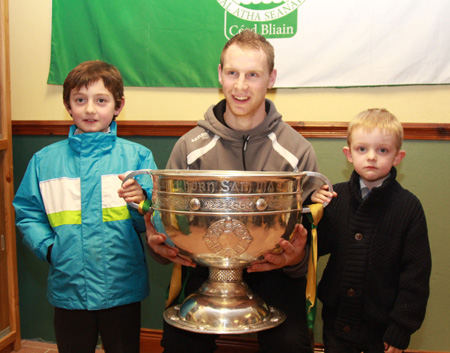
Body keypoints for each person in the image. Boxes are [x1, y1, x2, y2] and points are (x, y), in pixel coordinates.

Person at [146, 29, 321, 353]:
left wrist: (293, 260)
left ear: (271, 78)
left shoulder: (297, 152)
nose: (240, 86)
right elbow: (170, 232)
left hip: (273, 271)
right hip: (205, 268)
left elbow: (307, 240)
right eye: (232, 73)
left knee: (291, 344)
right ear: (219, 75)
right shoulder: (189, 147)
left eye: (253, 75)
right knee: (179, 342)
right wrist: (160, 245)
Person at [13, 60, 158, 353]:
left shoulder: (138, 159)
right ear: (68, 105)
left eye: (101, 100)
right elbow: (27, 213)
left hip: (121, 286)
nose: (90, 109)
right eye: (80, 100)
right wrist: (50, 249)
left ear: (118, 105)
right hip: (70, 285)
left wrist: (140, 201)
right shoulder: (44, 161)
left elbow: (153, 221)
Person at [310, 108, 432, 353]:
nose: (372, 157)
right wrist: (312, 208)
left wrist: (401, 328)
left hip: (381, 327)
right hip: (336, 318)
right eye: (362, 149)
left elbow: (416, 275)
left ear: (398, 157)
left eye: (383, 150)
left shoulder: (409, 208)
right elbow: (314, 247)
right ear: (349, 153)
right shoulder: (336, 197)